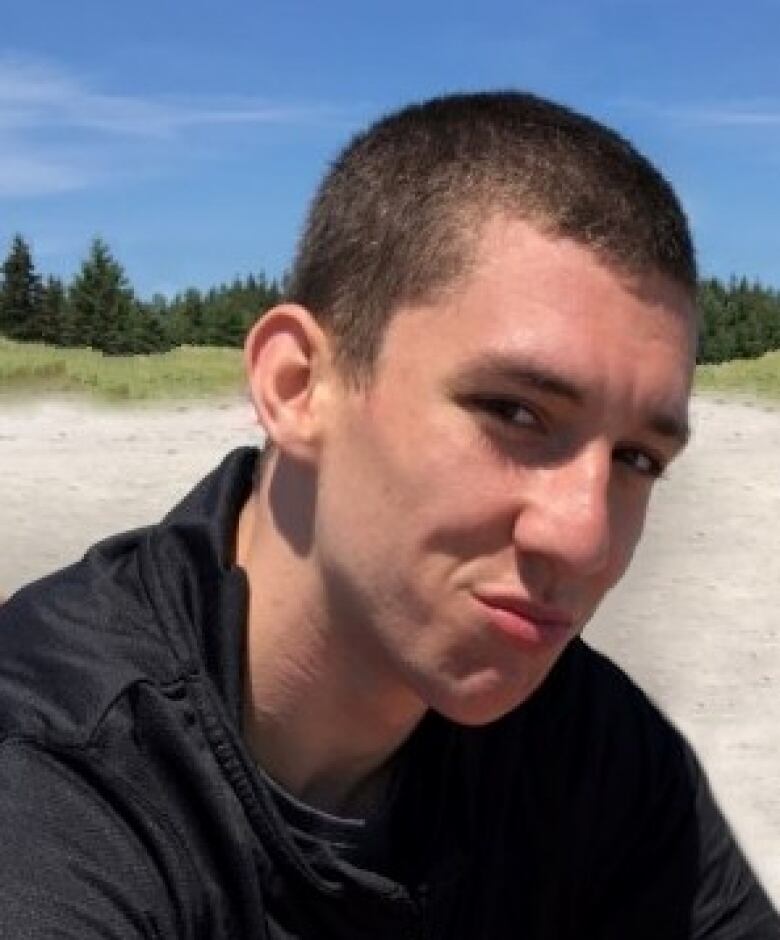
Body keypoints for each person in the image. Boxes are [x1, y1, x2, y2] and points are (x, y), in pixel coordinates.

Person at [0, 91, 777, 939]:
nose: (585, 538)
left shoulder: (588, 752)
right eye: (514, 412)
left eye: (636, 460)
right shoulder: (52, 783)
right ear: (299, 387)